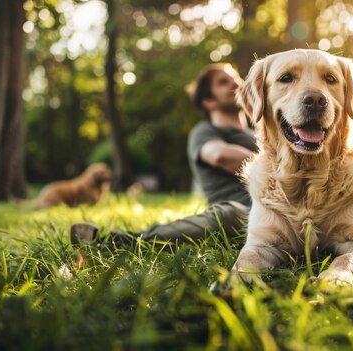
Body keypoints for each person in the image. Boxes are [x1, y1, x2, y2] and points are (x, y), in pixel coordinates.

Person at [70, 63, 256, 246]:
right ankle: (116, 241)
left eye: (236, 78)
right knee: (227, 215)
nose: (236, 83)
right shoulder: (205, 131)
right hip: (246, 213)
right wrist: (279, 164)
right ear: (208, 101)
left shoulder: (261, 133)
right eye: (224, 82)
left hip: (282, 209)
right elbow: (220, 156)